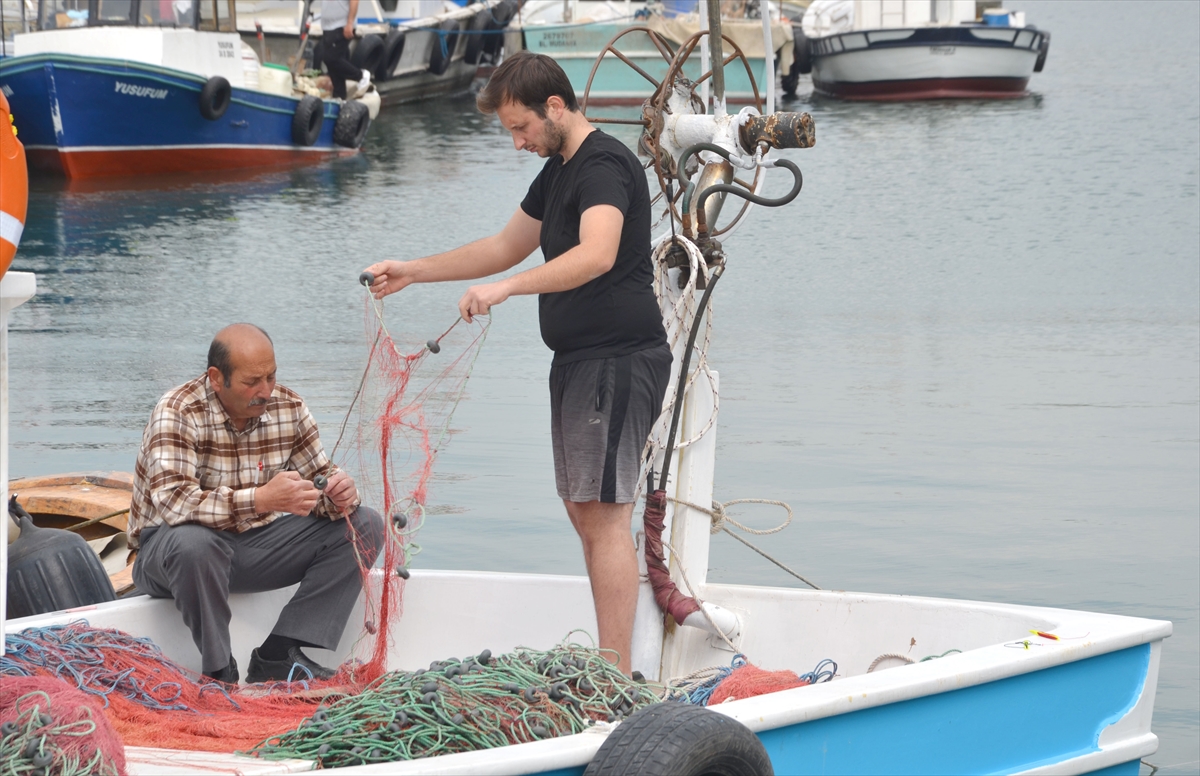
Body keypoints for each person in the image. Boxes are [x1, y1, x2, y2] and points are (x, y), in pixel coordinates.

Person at [362, 52, 670, 676]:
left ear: (554, 107)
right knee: (584, 511)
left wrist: (508, 289)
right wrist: (413, 271)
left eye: (520, 127)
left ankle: (614, 675)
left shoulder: (605, 163)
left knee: (606, 517)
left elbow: (598, 254)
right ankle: (611, 666)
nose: (517, 142)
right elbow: (503, 246)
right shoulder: (557, 169)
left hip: (618, 359)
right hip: (579, 362)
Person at [127, 323, 384, 685]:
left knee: (366, 525)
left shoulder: (289, 407)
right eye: (252, 382)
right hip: (169, 555)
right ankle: (219, 670)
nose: (265, 391)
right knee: (195, 543)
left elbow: (320, 481)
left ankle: (279, 654)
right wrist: (262, 498)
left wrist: (340, 494)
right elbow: (175, 506)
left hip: (252, 546)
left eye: (271, 376)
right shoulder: (177, 410)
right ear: (217, 379)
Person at [320, 0, 370, 100]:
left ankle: (361, 76)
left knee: (330, 58)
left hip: (342, 26)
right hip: (328, 27)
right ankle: (340, 97)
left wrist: (350, 23)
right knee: (333, 65)